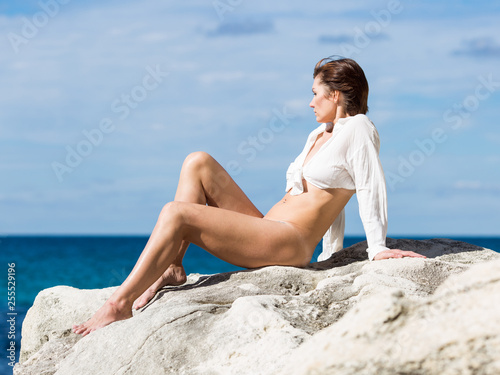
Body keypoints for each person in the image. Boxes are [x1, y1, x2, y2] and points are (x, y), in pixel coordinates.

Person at [73, 57, 425, 336]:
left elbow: (367, 184)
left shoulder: (360, 128)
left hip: (289, 243)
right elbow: (330, 194)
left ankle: (120, 303)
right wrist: (332, 250)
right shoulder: (320, 133)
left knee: (176, 214)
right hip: (269, 228)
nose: (309, 102)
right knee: (198, 162)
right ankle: (173, 268)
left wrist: (376, 247)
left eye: (316, 93)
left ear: (335, 95)